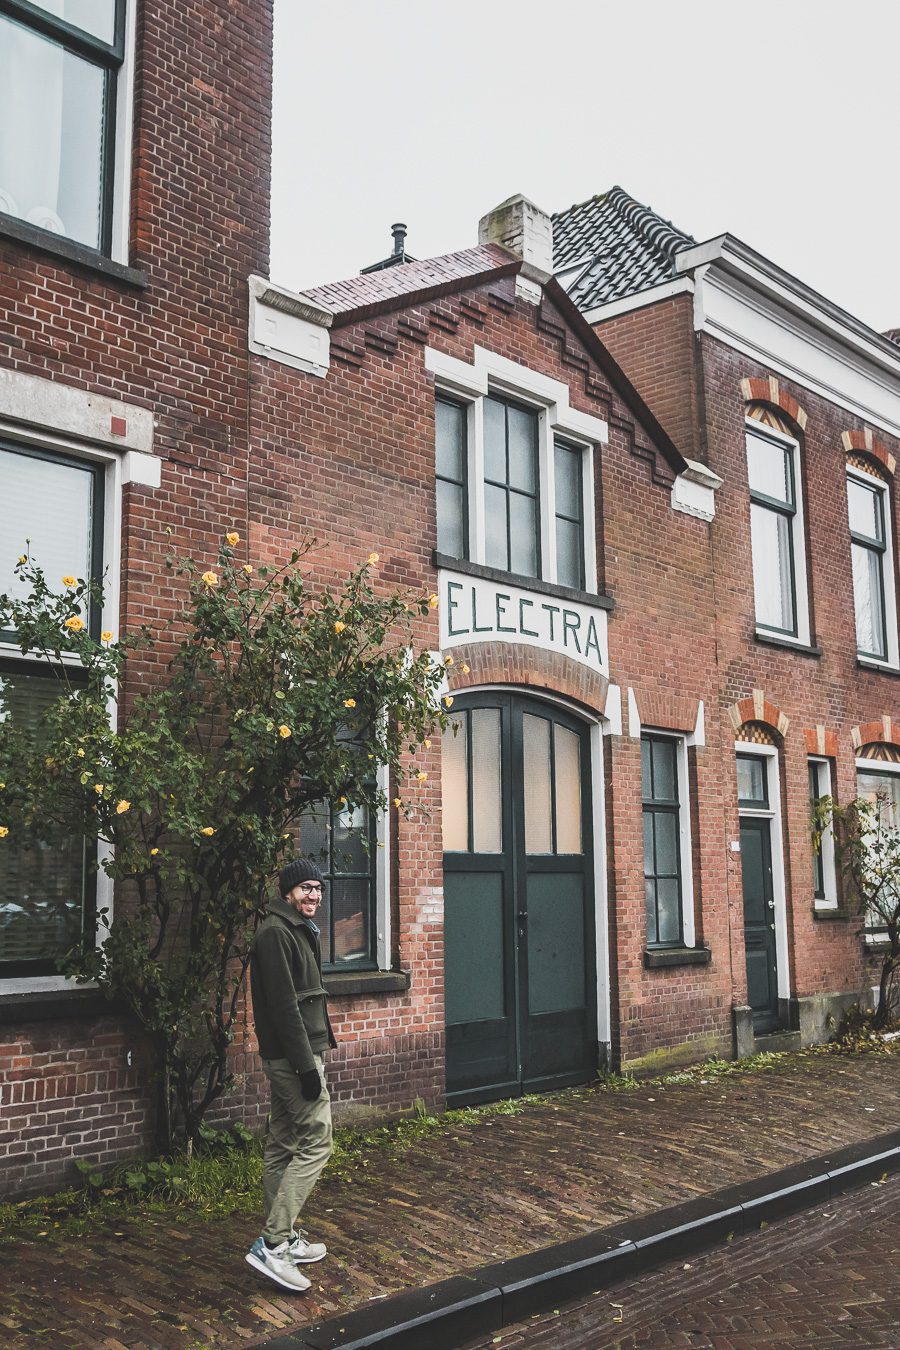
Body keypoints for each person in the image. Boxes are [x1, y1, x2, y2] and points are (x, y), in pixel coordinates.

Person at [245, 857, 337, 1292]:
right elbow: (284, 1006)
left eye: (318, 888)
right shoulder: (276, 933)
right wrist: (306, 1068)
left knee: (283, 1143)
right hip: (293, 1058)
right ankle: (274, 1243)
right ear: (287, 892)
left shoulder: (291, 928)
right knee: (318, 1142)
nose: (314, 895)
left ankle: (284, 1235)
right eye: (305, 888)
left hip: (291, 1055)